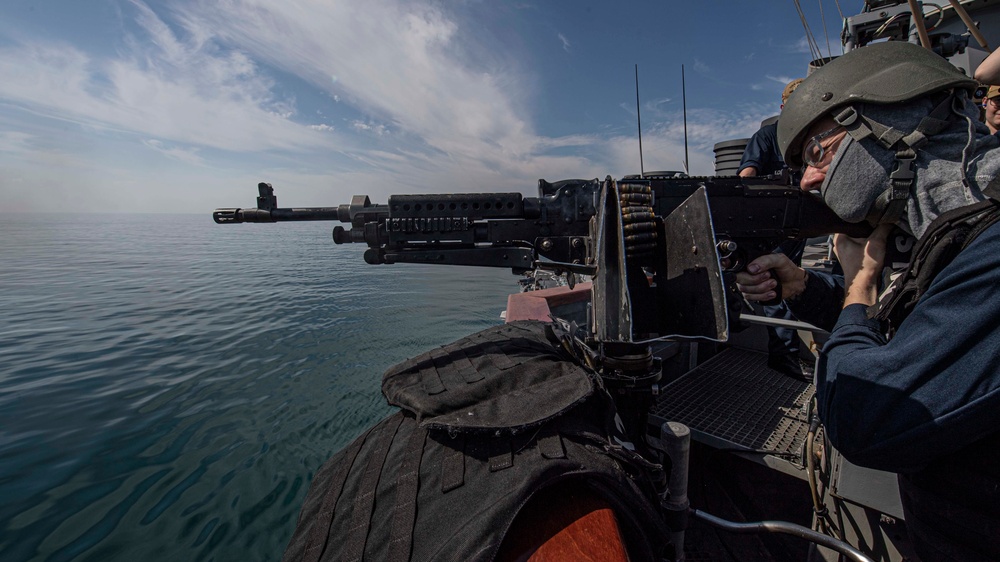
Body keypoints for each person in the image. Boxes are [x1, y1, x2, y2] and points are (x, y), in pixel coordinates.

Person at [735, 42, 1000, 561]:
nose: (809, 180)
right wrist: (803, 288)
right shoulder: (961, 236)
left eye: (819, 153)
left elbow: (864, 417)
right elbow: (924, 320)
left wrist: (858, 293)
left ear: (892, 130)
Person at [737, 78, 810, 379]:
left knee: (793, 283)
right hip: (771, 228)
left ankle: (787, 355)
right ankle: (784, 357)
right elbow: (746, 175)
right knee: (774, 287)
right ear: (783, 107)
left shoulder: (811, 138)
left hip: (798, 226)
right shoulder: (768, 136)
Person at [737, 78, 803, 178]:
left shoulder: (826, 134)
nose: (799, 109)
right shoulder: (766, 136)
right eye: (793, 105)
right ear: (783, 108)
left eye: (804, 105)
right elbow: (748, 172)